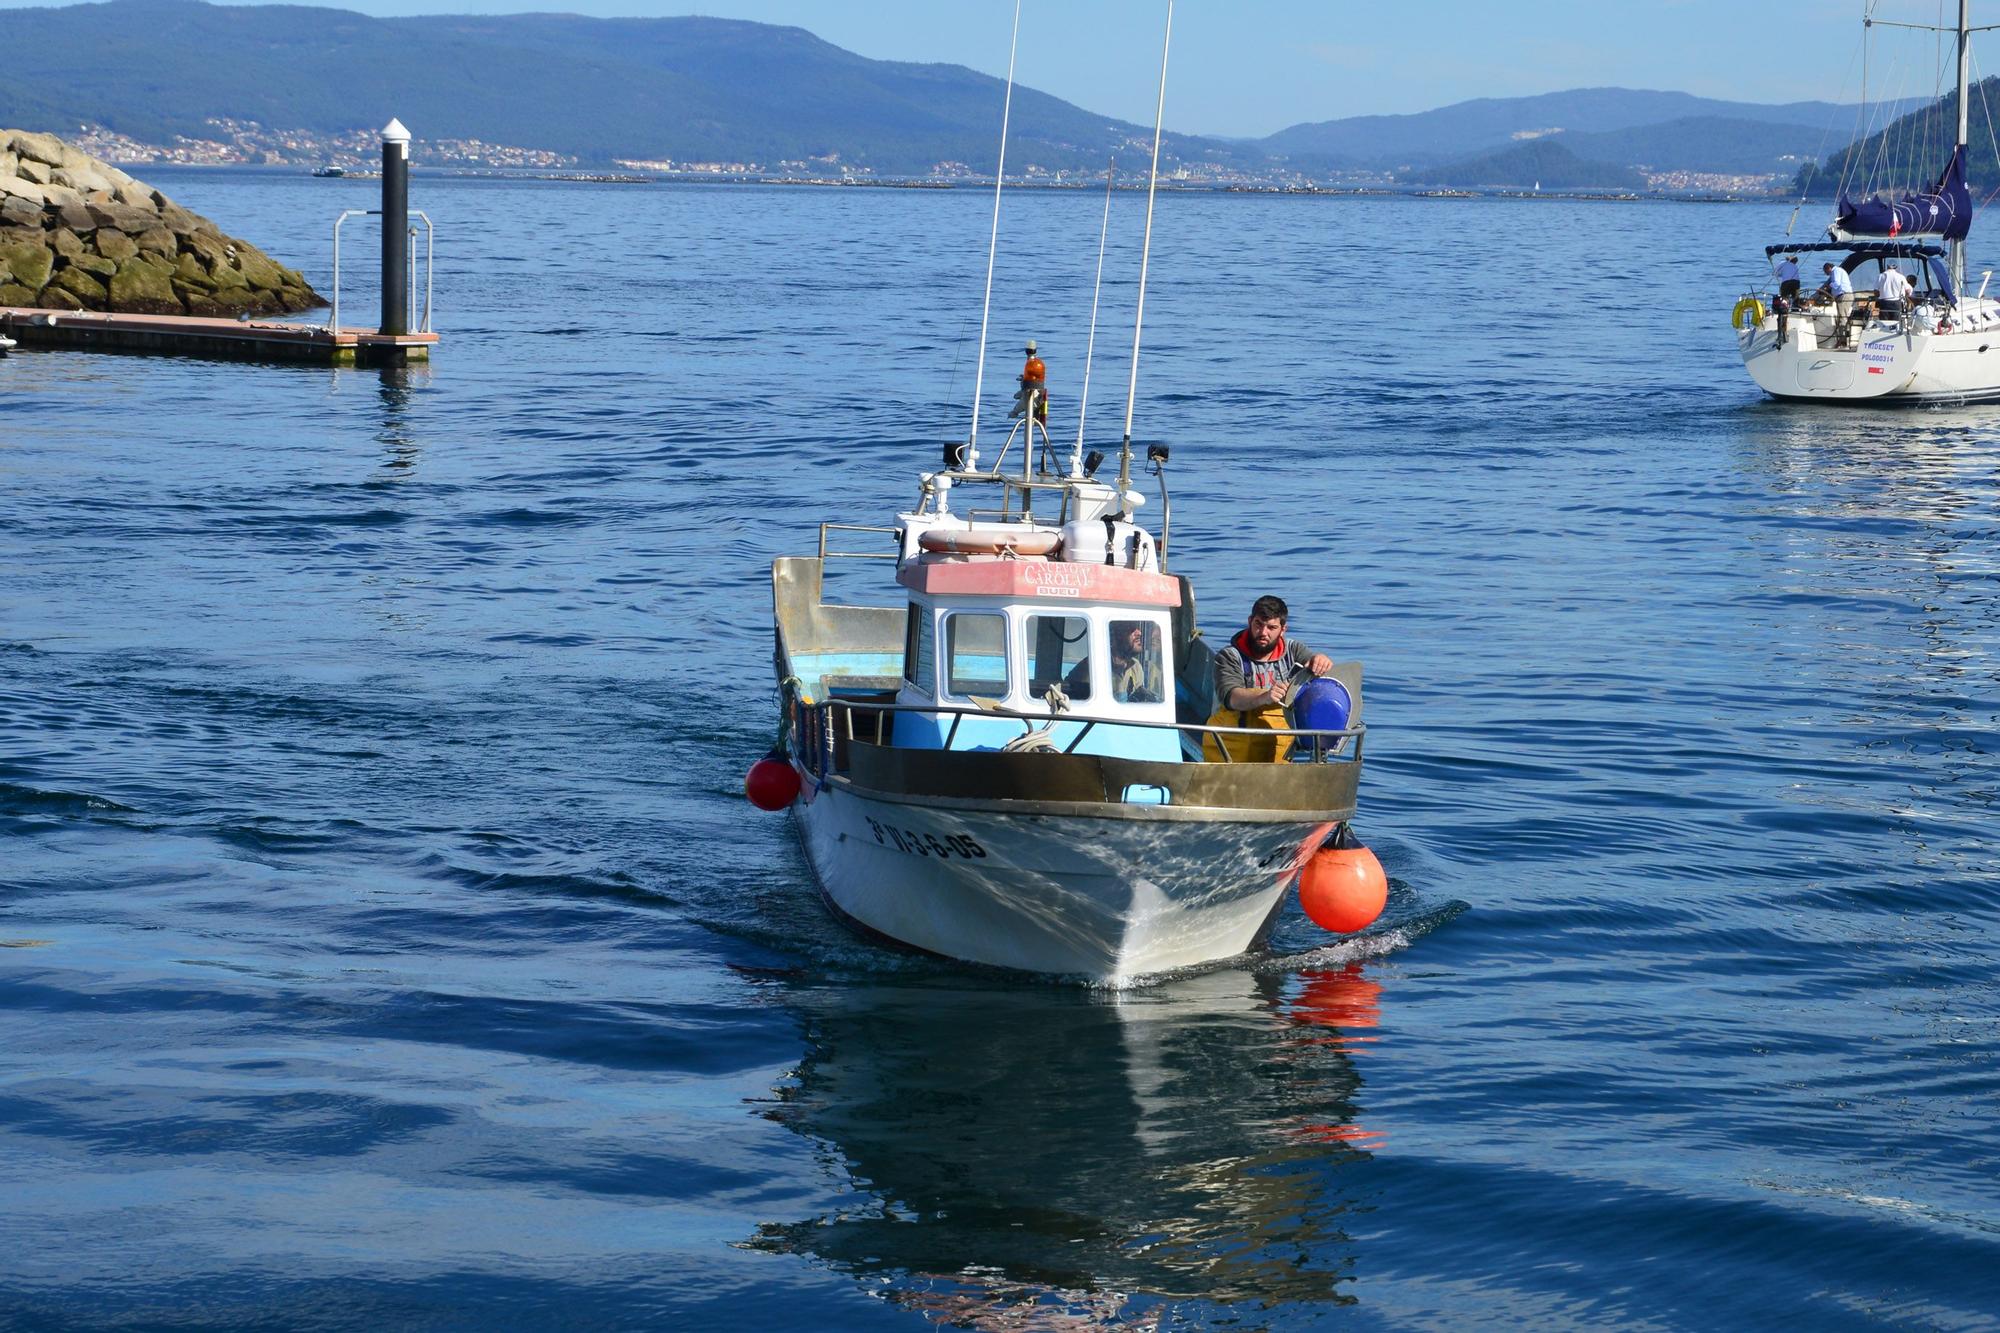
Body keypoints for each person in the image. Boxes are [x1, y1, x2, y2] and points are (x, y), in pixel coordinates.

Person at [1205, 595, 1336, 762]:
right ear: (1250, 621)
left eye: (1271, 627)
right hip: (1230, 745)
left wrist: (1320, 659)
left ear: (1283, 629)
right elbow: (1232, 698)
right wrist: (1265, 697)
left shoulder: (1293, 651)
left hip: (1278, 746)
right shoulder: (1228, 656)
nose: (1263, 633)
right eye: (1258, 624)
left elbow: (1315, 668)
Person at [1109, 621, 1163, 703]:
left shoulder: (1136, 666)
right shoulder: (1094, 668)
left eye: (1139, 628)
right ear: (1117, 635)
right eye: (1130, 629)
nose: (1139, 633)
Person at [1010, 339, 1049, 425]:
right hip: (1032, 396)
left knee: (1020, 406)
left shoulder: (1033, 364)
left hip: (1031, 397)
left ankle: (1032, 419)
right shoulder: (1037, 363)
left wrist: (1015, 412)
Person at [1821, 262, 1855, 345]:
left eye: (1825, 271)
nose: (1826, 274)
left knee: (1842, 318)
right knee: (1841, 317)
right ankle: (1842, 338)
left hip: (1844, 295)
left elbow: (1836, 283)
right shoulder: (1837, 271)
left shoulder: (1836, 271)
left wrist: (1827, 287)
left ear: (1828, 268)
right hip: (1842, 296)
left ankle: (1842, 340)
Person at [1774, 253, 1801, 346]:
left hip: (1786, 282)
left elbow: (1775, 273)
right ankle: (1795, 308)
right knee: (1796, 297)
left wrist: (1780, 275)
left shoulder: (1783, 263)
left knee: (1784, 297)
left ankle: (1784, 307)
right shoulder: (1794, 266)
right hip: (1796, 282)